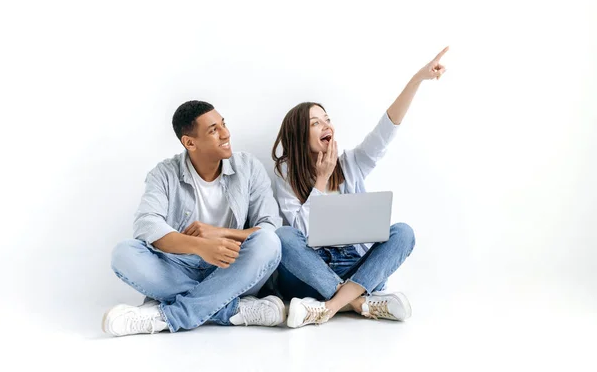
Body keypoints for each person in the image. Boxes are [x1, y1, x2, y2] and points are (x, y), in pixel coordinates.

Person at [271, 47, 449, 328]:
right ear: (299, 136)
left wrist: (417, 79)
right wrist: (320, 180)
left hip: (355, 266)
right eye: (315, 123)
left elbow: (386, 130)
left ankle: (328, 307)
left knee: (403, 232)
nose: (325, 125)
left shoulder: (352, 163)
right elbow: (302, 233)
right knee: (282, 236)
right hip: (311, 271)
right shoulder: (286, 172)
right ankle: (359, 304)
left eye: (327, 119)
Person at [103, 100, 285, 336]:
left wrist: (219, 233)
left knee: (270, 242)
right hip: (180, 266)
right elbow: (147, 224)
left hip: (232, 266)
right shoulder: (164, 173)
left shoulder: (248, 167)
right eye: (213, 130)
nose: (225, 133)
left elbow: (270, 226)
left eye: (223, 124)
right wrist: (201, 246)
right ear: (190, 142)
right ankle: (233, 310)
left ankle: (166, 316)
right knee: (123, 253)